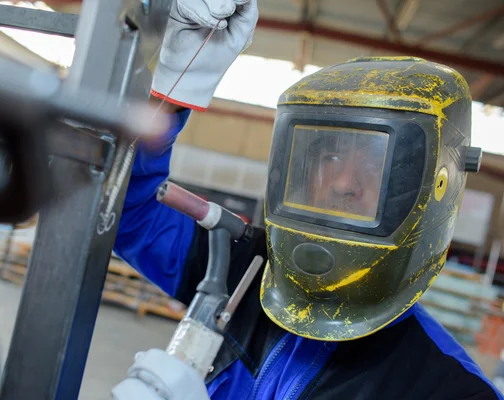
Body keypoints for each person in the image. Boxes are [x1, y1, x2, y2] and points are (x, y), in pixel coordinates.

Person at [113, 0, 504, 398]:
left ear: (435, 187)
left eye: (376, 165)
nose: (343, 183)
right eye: (329, 156)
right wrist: (178, 88)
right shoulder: (241, 272)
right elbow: (124, 209)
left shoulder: (450, 389)